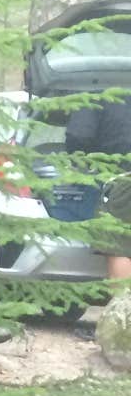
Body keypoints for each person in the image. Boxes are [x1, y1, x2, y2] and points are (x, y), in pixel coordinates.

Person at [65, 90, 131, 281]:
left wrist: (82, 162)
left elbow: (79, 135)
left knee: (119, 246)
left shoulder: (95, 93)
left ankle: (125, 307)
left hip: (124, 179)